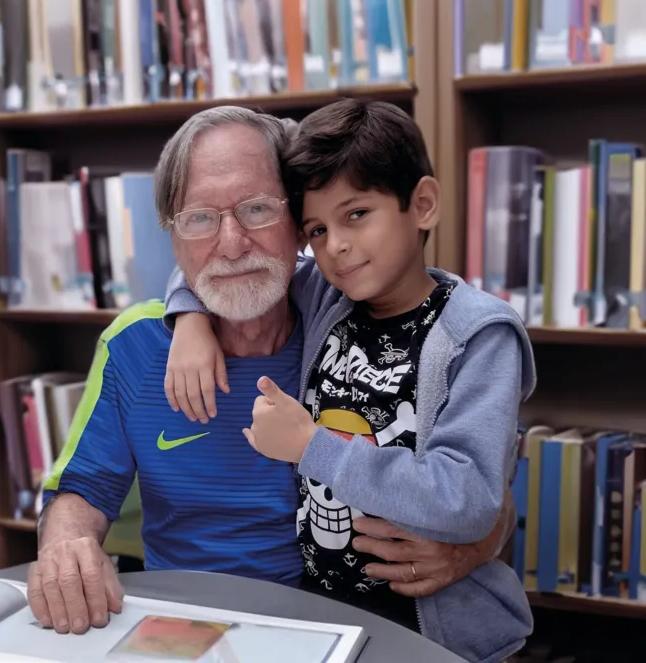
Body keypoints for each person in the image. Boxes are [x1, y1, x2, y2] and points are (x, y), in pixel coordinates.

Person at [27, 106, 513, 643]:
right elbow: (82, 491)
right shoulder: (134, 345)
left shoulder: (349, 318)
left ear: (296, 227)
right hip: (181, 627)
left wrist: (474, 546)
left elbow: (483, 491)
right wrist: (64, 549)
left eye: (257, 209)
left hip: (329, 626)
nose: (231, 245)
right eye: (200, 219)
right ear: (173, 235)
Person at [163, 100, 535, 663]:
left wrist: (314, 446)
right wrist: (189, 317)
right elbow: (220, 251)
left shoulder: (478, 336)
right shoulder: (325, 295)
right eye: (316, 228)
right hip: (332, 626)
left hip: (437, 636)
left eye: (357, 214)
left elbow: (470, 499)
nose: (334, 245)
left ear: (423, 205)